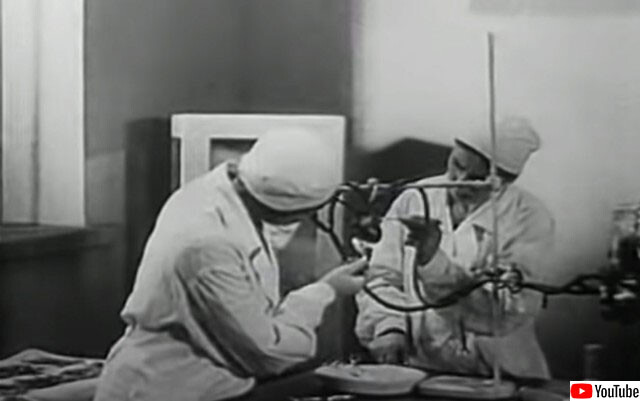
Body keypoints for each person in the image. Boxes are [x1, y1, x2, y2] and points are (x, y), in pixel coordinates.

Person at [94, 129, 368, 401]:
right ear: (282, 211)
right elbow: (267, 354)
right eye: (306, 213)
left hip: (202, 383)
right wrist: (324, 291)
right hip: (166, 388)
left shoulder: (223, 188)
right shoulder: (206, 245)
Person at [355, 117, 555, 379]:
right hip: (418, 370)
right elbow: (382, 276)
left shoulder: (528, 217)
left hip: (497, 373)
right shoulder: (417, 198)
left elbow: (507, 312)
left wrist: (432, 261)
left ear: (505, 181)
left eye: (476, 178)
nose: (459, 181)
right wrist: (389, 327)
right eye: (457, 165)